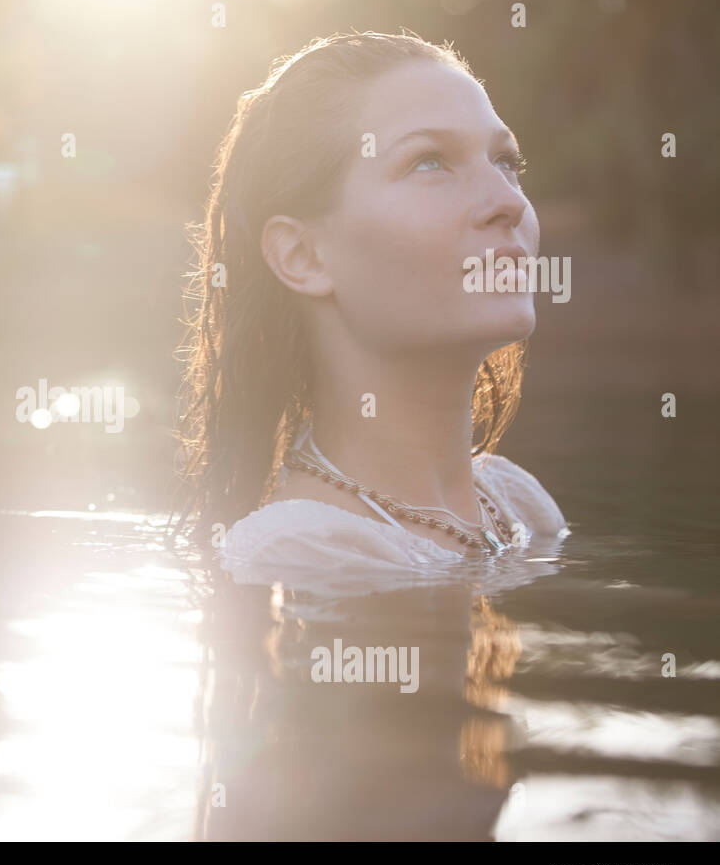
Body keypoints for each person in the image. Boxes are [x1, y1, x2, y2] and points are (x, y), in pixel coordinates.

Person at [168, 30, 569, 590]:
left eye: (505, 161)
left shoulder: (518, 507)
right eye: (430, 163)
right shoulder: (307, 551)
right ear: (303, 256)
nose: (510, 202)